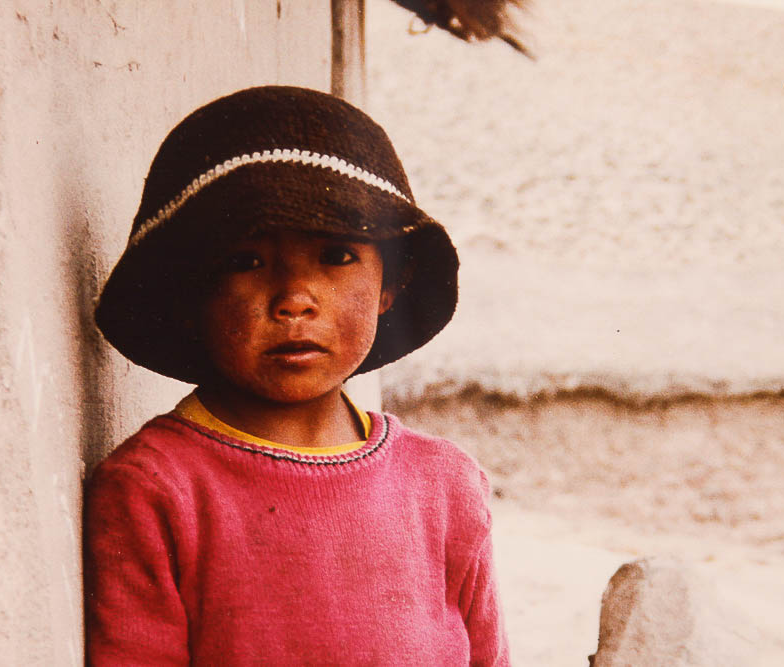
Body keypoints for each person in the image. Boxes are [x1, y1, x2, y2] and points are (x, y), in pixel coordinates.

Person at [84, 85, 509, 665]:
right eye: (245, 262)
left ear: (390, 285)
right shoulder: (155, 488)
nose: (294, 298)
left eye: (337, 256)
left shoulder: (443, 484)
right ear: (189, 291)